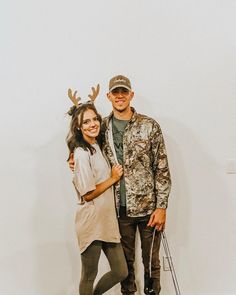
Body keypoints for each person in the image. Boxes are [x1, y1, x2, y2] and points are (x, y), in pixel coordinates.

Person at [69, 76, 171, 295]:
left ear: (131, 95)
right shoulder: (101, 127)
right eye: (115, 93)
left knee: (151, 265)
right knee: (125, 268)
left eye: (124, 92)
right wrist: (72, 156)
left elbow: (161, 169)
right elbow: (82, 143)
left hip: (148, 210)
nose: (120, 96)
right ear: (109, 97)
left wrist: (161, 207)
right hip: (118, 212)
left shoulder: (149, 126)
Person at [66, 88, 128, 295]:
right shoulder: (81, 153)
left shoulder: (97, 146)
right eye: (85, 122)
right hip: (91, 221)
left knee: (121, 271)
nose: (92, 124)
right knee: (88, 275)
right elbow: (88, 194)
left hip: (107, 220)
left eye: (94, 119)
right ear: (78, 126)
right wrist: (113, 178)